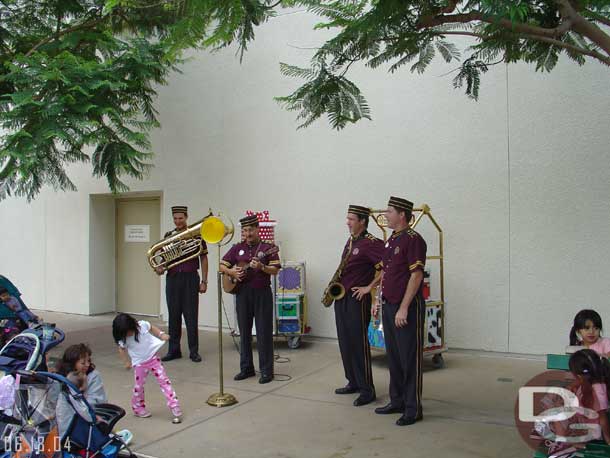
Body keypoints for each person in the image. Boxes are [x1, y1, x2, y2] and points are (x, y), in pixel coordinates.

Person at [374, 196, 427, 426]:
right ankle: (397, 400)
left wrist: (404, 308)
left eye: (389, 211)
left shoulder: (414, 240)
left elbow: (416, 276)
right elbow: (385, 273)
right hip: (388, 305)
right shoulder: (391, 240)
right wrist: (377, 299)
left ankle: (413, 408)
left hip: (406, 308)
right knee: (393, 357)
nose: (386, 214)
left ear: (402, 215)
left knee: (409, 359)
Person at [220, 215, 281, 384]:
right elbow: (222, 264)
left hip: (261, 293)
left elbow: (275, 270)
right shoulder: (237, 248)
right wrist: (232, 273)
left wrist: (262, 266)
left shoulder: (269, 248)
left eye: (250, 230)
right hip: (242, 294)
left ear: (257, 229)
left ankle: (267, 371)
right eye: (245, 230)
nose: (247, 233)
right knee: (244, 332)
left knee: (263, 332)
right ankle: (246, 368)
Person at [332, 205, 383, 406]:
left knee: (358, 344)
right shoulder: (351, 240)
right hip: (342, 298)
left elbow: (387, 267)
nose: (347, 222)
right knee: (345, 342)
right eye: (347, 218)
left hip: (357, 301)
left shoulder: (372, 243)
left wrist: (369, 287)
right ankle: (352, 381)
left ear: (362, 220)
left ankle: (366, 389)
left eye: (351, 219)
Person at [155, 205, 208, 363]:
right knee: (173, 316)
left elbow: (204, 259)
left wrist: (204, 281)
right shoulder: (168, 235)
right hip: (173, 279)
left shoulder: (197, 235)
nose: (178, 221)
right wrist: (160, 268)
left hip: (190, 278)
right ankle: (174, 350)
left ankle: (194, 351)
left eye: (181, 218)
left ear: (186, 217)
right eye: (175, 218)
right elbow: (165, 260)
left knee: (191, 316)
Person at [536, 349, 610, 457]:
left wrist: (608, 439)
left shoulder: (598, 390)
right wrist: (571, 386)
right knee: (554, 398)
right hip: (581, 418)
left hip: (588, 428)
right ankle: (564, 436)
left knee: (557, 411)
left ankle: (563, 442)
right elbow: (578, 382)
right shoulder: (588, 379)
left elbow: (602, 418)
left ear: (579, 375)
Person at [112, 313, 182, 424]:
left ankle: (174, 405)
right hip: (139, 364)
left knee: (164, 381)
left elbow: (151, 327)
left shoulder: (142, 326)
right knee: (138, 386)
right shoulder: (123, 339)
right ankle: (138, 408)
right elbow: (121, 349)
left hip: (153, 358)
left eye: (130, 330)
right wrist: (126, 362)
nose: (129, 334)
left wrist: (161, 334)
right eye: (126, 333)